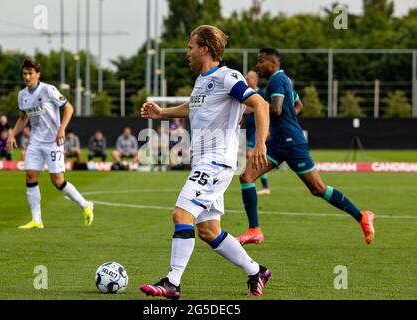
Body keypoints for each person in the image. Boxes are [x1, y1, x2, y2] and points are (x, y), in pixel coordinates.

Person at [139, 25, 271, 299]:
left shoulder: (227, 77)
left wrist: (260, 143)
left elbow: (260, 104)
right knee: (209, 231)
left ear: (204, 49)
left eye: (190, 47)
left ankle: (173, 282)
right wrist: (162, 112)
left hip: (216, 163)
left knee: (181, 214)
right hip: (204, 162)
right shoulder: (202, 81)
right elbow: (192, 106)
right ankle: (256, 271)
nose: (187, 53)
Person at [238, 48, 375, 246]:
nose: (257, 66)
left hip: (291, 143)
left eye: (260, 62)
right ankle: (254, 230)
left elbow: (276, 109)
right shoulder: (284, 80)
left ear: (272, 63)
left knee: (318, 188)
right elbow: (298, 105)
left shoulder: (277, 80)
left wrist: (255, 109)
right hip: (278, 142)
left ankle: (362, 216)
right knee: (246, 176)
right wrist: (287, 119)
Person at [6, 58, 94, 229]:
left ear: (38, 75)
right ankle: (36, 220)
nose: (27, 77)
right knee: (30, 176)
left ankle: (85, 205)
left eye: (30, 73)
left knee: (57, 180)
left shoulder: (48, 90)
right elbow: (23, 118)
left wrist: (62, 128)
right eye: (24, 74)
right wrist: (12, 134)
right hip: (36, 142)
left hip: (54, 142)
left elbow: (69, 108)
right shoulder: (22, 95)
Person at [236, 71, 304, 245]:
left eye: (250, 77)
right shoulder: (248, 93)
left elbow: (292, 104)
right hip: (253, 132)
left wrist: (287, 121)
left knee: (252, 158)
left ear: (255, 80)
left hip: (263, 134)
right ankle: (254, 229)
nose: (247, 79)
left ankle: (265, 187)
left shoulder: (265, 92)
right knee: (247, 172)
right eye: (246, 77)